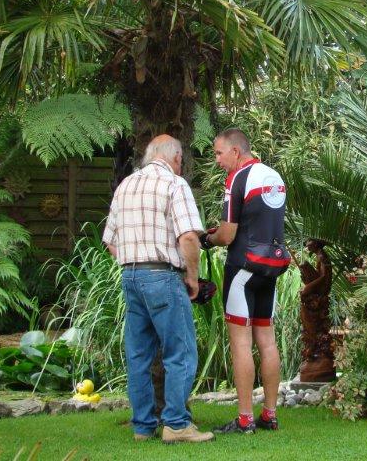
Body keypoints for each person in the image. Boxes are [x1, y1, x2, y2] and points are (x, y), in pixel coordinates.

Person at [103, 134, 214, 444]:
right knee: (181, 352)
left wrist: (134, 262)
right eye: (181, 160)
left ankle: (143, 426)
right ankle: (176, 424)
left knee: (138, 355)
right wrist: (192, 277)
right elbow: (188, 237)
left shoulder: (125, 185)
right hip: (163, 276)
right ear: (176, 157)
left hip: (130, 276)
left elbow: (110, 242)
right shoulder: (174, 184)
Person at [201, 128, 289, 434]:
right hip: (271, 268)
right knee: (267, 341)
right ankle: (270, 414)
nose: (217, 160)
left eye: (218, 153)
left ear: (236, 151)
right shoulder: (274, 176)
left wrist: (207, 239)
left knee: (241, 342)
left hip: (243, 269)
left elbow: (228, 235)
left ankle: (244, 419)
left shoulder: (237, 178)